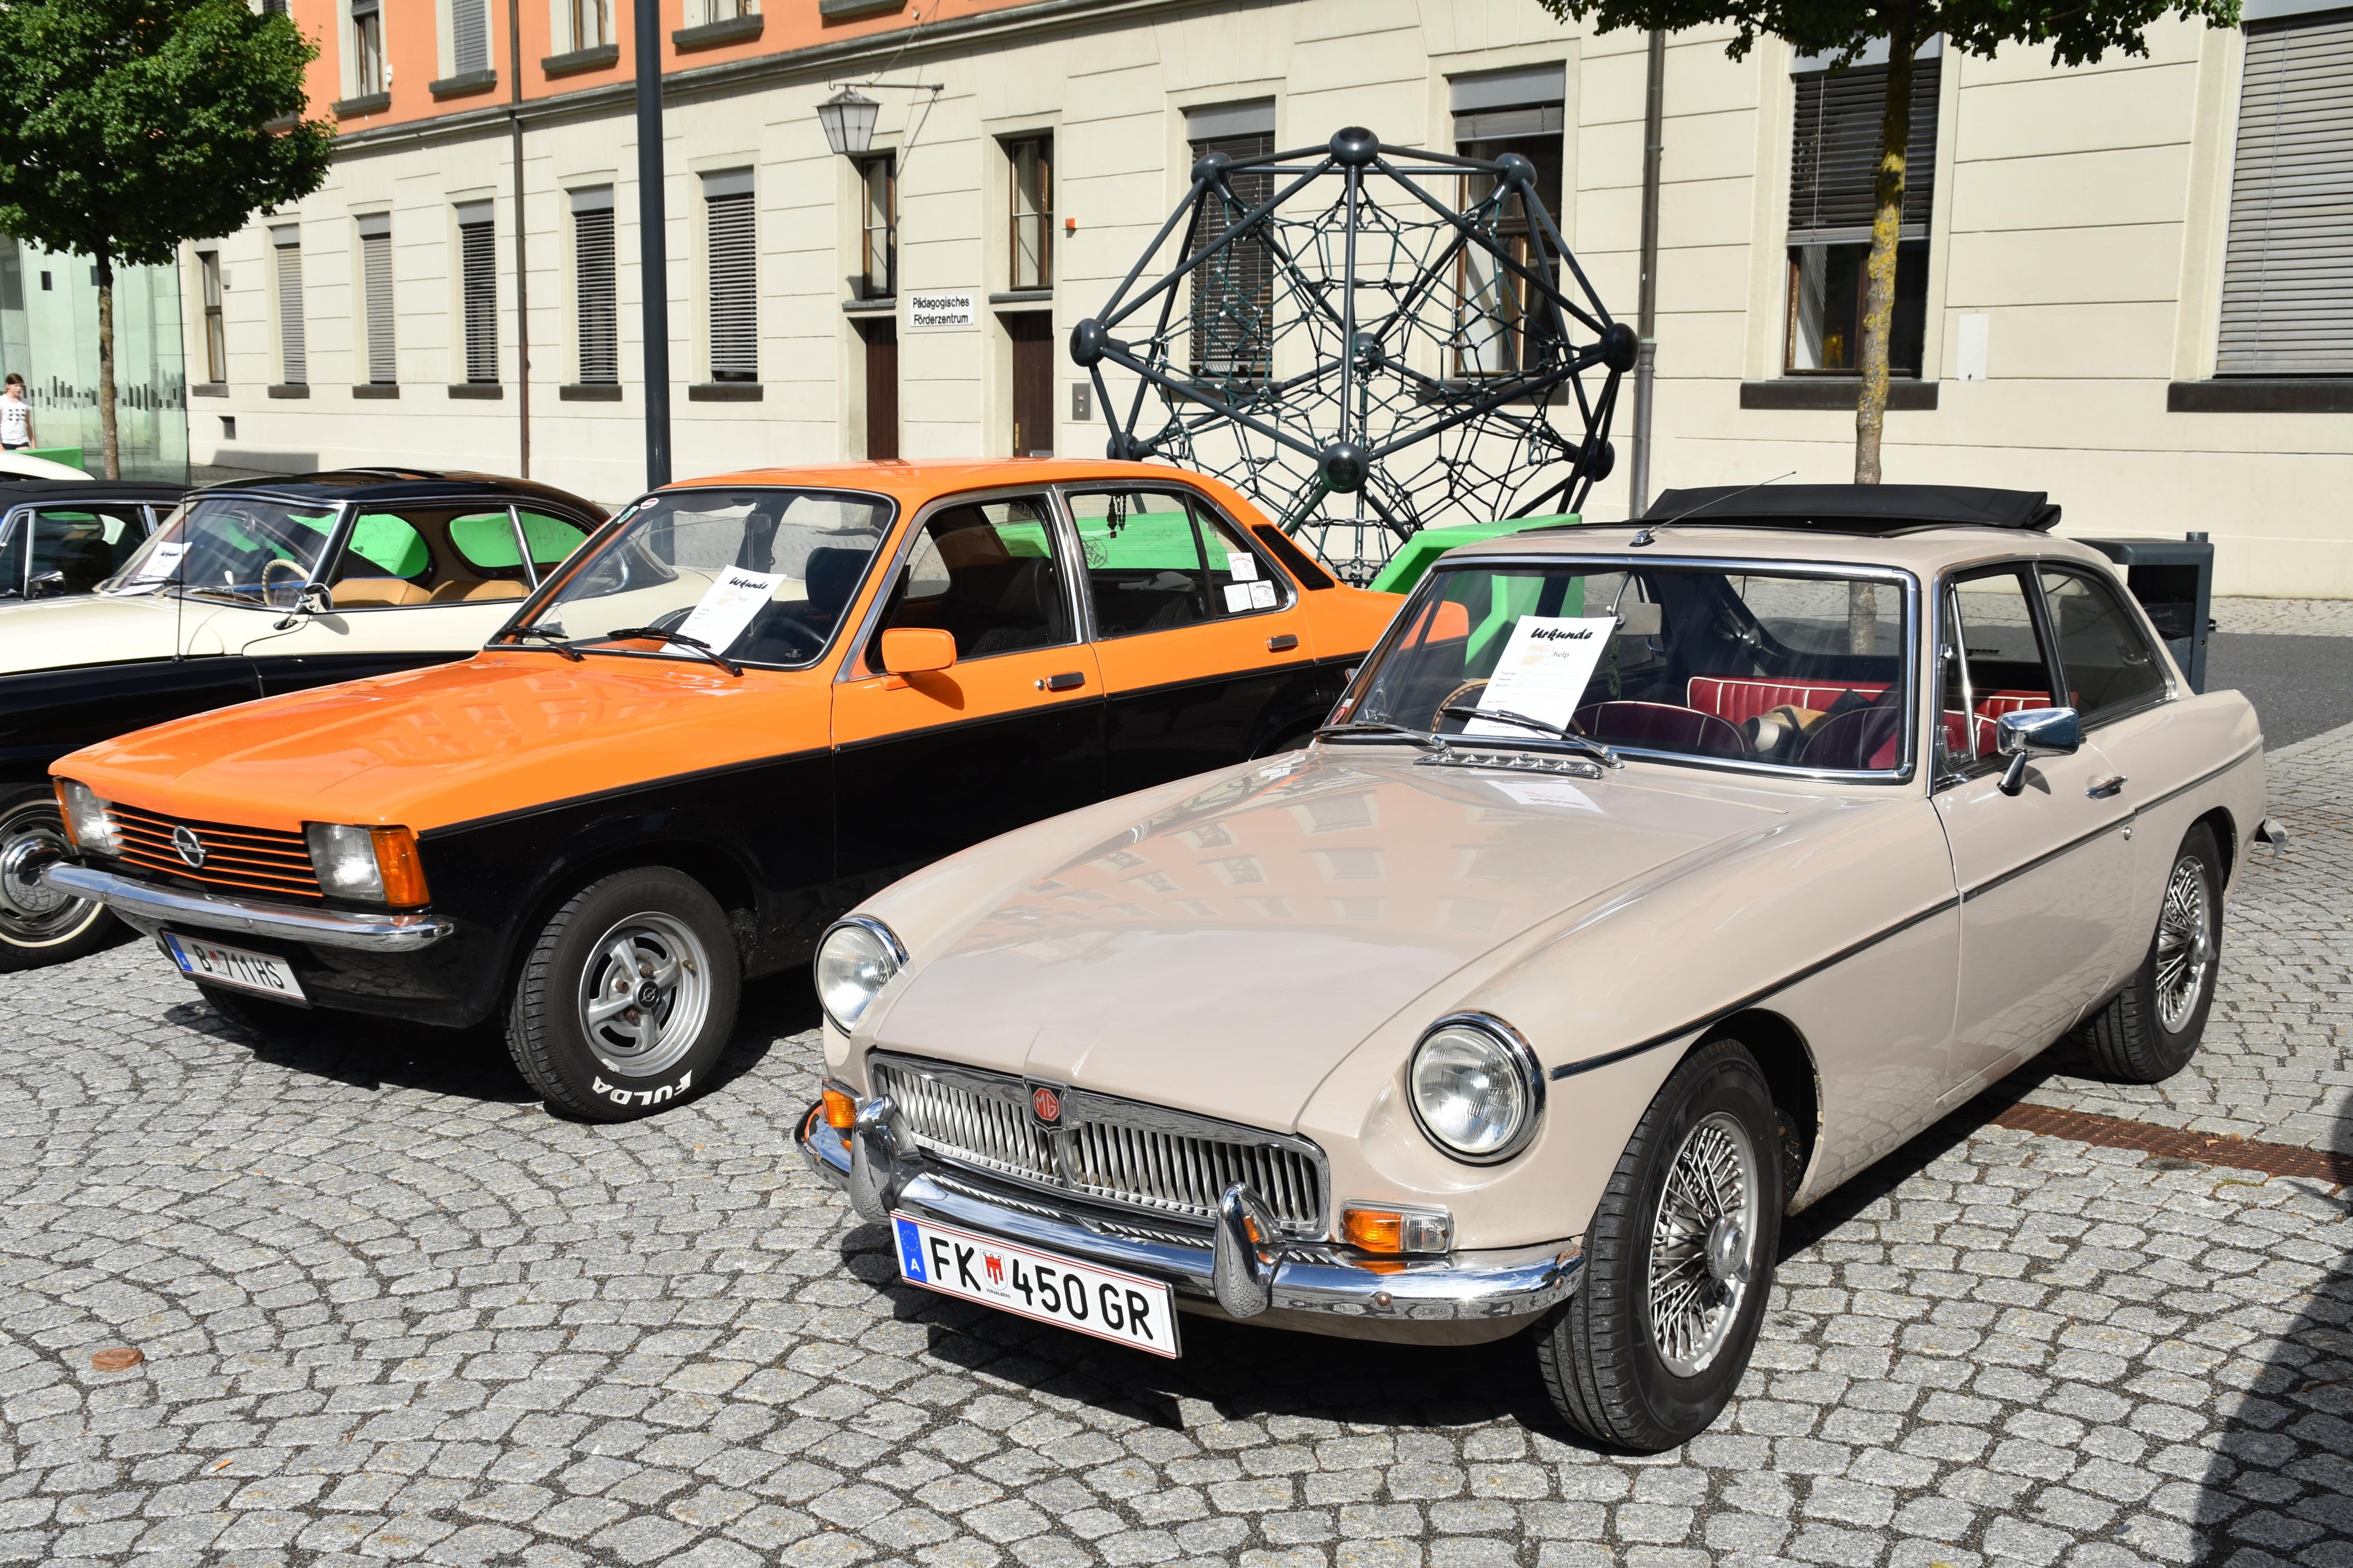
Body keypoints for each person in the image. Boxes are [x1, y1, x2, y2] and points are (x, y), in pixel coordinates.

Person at [0, 374, 33, 450]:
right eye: (16, 386)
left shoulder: (26, 403)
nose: (19, 388)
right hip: (6, 442)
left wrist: (33, 443)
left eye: (21, 386)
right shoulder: (2, 401)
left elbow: (28, 425)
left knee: (24, 457)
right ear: (8, 386)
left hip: (22, 442)